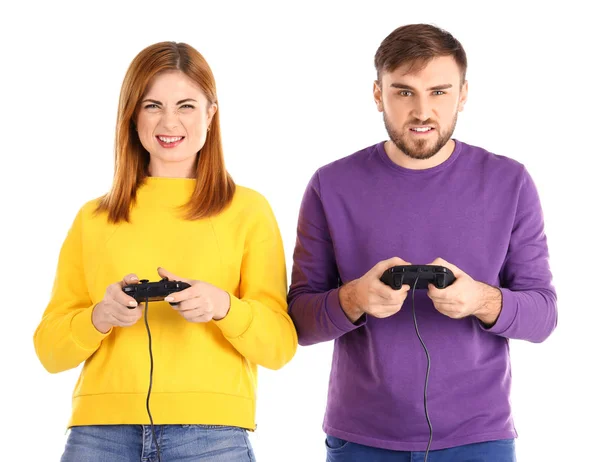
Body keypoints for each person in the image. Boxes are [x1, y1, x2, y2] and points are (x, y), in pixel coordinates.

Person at [288, 23, 557, 462]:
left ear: (463, 95)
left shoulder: (510, 182)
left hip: (479, 438)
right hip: (361, 438)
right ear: (378, 94)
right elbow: (298, 320)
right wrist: (354, 298)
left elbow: (544, 315)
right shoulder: (330, 185)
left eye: (439, 92)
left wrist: (481, 301)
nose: (422, 111)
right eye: (404, 92)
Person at [34, 41, 298, 462]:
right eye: (152, 105)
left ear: (211, 114)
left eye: (187, 106)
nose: (169, 121)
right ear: (132, 116)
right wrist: (99, 317)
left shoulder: (247, 209)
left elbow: (280, 346)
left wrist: (222, 306)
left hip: (211, 434)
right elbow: (49, 350)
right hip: (100, 433)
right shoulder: (94, 218)